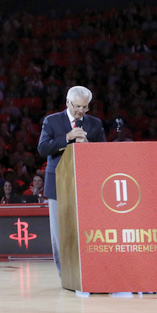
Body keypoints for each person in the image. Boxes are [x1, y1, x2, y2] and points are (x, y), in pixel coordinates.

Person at [37, 85, 106, 277]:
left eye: (85, 107)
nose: (80, 111)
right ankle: (66, 275)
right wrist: (67, 138)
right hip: (57, 182)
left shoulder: (95, 124)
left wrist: (88, 147)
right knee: (59, 234)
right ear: (67, 102)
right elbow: (43, 149)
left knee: (87, 229)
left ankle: (90, 271)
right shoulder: (52, 121)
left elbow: (104, 154)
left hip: (87, 183)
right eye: (77, 106)